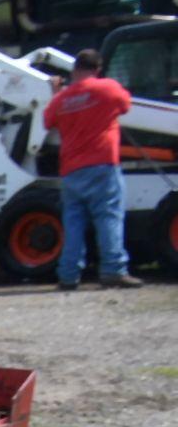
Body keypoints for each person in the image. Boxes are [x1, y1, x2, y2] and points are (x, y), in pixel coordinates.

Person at [42, 49, 141, 290]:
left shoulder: (62, 99)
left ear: (75, 69)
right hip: (102, 164)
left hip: (71, 169)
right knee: (108, 217)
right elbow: (126, 106)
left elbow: (48, 121)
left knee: (74, 222)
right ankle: (113, 271)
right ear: (97, 69)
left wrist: (57, 93)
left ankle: (68, 276)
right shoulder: (107, 87)